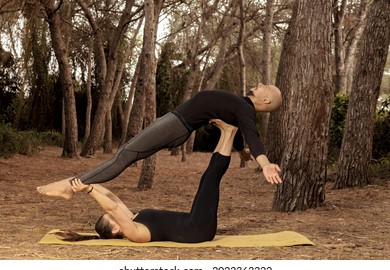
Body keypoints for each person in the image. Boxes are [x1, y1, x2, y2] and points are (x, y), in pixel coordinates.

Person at [38, 83, 282, 199]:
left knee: (124, 156)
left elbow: (252, 135)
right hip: (172, 121)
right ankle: (73, 184)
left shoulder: (245, 110)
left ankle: (70, 185)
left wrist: (265, 163)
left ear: (267, 101)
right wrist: (241, 151)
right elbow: (240, 133)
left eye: (266, 86)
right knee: (124, 154)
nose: (261, 84)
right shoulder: (240, 106)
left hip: (176, 126)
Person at [38, 120, 241, 243]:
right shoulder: (134, 233)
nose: (113, 213)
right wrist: (89, 190)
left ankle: (226, 132)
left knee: (208, 176)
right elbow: (111, 209)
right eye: (112, 219)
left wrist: (78, 183)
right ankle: (230, 132)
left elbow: (112, 198)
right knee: (212, 178)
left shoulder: (133, 219)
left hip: (195, 220)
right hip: (199, 229)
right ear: (117, 229)